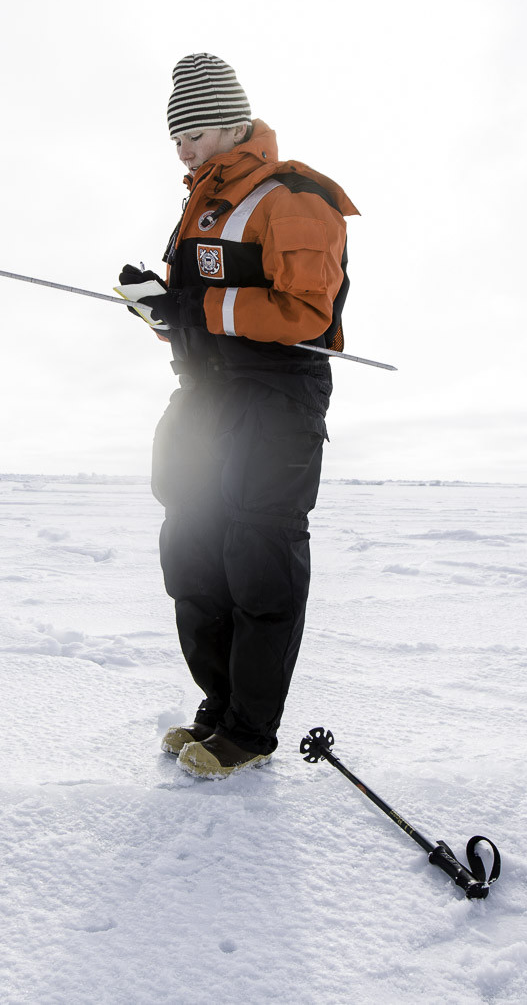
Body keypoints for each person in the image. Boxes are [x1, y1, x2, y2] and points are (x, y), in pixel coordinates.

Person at [117, 53, 358, 779]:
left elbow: (308, 313)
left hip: (272, 398)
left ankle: (250, 730)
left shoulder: (293, 198)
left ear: (230, 123)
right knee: (192, 556)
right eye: (175, 137)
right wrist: (159, 310)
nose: (183, 148)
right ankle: (219, 707)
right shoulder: (200, 206)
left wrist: (193, 308)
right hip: (204, 398)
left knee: (257, 561)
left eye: (193, 132)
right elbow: (203, 316)